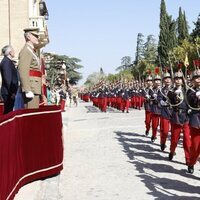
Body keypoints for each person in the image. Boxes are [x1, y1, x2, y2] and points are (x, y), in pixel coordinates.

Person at [167, 70, 191, 165]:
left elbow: (191, 102)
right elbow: (169, 103)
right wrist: (173, 95)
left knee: (187, 140)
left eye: (179, 79)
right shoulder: (171, 92)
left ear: (182, 80)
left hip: (186, 117)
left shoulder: (188, 91)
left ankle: (188, 160)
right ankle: (172, 151)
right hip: (176, 117)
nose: (178, 81)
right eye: (176, 79)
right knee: (174, 139)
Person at [18, 28, 42, 109]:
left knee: (33, 114)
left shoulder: (31, 50)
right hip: (31, 87)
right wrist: (27, 89)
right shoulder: (26, 51)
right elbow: (22, 71)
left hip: (34, 86)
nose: (37, 37)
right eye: (35, 35)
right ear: (28, 37)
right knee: (31, 113)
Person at [186, 68, 200, 174]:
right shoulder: (190, 91)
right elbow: (189, 101)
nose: (198, 80)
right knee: (195, 147)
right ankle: (191, 163)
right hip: (196, 120)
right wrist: (196, 95)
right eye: (196, 78)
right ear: (192, 80)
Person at [0, 45, 18, 114]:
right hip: (9, 93)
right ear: (10, 52)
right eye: (13, 50)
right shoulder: (6, 62)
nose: (14, 52)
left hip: (9, 92)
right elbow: (8, 79)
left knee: (9, 111)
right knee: (8, 112)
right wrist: (12, 92)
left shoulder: (8, 62)